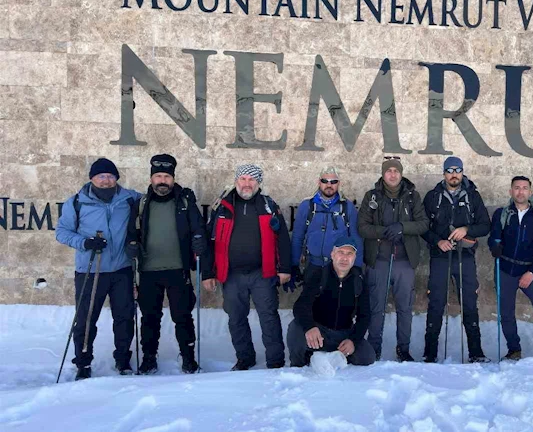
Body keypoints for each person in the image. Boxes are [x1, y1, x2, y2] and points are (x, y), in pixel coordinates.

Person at [55, 158, 142, 380]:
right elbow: (62, 232)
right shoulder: (76, 202)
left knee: (124, 317)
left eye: (110, 176)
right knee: (86, 319)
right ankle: (83, 363)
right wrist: (85, 242)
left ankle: (123, 360)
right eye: (101, 176)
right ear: (92, 178)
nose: (106, 180)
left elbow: (154, 202)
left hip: (122, 269)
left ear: (116, 179)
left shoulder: (129, 199)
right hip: (90, 269)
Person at [201, 164, 293, 370]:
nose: (246, 184)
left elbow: (283, 239)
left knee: (269, 317)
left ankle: (275, 361)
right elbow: (209, 240)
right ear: (236, 181)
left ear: (259, 183)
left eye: (251, 180)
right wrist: (208, 273)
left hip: (263, 272)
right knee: (236, 318)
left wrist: (285, 268)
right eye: (242, 179)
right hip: (231, 274)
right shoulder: (222, 206)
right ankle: (245, 358)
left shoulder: (269, 206)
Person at [127, 154, 206, 375]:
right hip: (149, 271)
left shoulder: (184, 201)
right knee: (150, 318)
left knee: (182, 316)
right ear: (152, 178)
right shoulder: (141, 204)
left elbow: (198, 227)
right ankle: (149, 358)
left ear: (173, 178)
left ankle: (188, 357)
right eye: (158, 176)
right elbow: (131, 232)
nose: (163, 181)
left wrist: (198, 240)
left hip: (177, 269)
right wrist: (131, 244)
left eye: (167, 176)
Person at [421, 156, 492, 363]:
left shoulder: (473, 196)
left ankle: (476, 352)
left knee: (469, 303)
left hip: (465, 257)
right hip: (440, 256)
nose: (454, 174)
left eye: (457, 170)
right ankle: (430, 353)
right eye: (450, 170)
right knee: (436, 303)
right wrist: (437, 242)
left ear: (462, 172)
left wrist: (466, 229)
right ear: (444, 173)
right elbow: (423, 227)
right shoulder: (432, 197)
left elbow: (485, 225)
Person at [358, 157, 428, 362]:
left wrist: (403, 228)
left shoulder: (412, 196)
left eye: (396, 171)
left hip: (404, 261)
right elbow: (362, 227)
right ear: (383, 173)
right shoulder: (372, 196)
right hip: (378, 259)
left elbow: (423, 224)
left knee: (405, 307)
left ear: (401, 173)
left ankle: (403, 348)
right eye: (388, 171)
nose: (392, 174)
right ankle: (374, 347)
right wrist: (385, 231)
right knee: (376, 306)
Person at [489, 176, 533, 360]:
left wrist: (532, 272)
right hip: (505, 269)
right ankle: (513, 348)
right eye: (516, 188)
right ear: (511, 191)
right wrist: (494, 245)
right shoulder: (501, 214)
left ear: (530, 192)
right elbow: (493, 237)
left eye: (524, 188)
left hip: (529, 271)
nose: (520, 191)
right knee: (506, 312)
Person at [287, 236, 376, 367]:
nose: (345, 258)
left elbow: (365, 316)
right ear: (333, 254)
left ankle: (334, 357)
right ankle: (302, 364)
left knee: (367, 356)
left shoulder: (359, 281)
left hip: (343, 334)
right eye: (341, 252)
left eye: (349, 254)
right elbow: (300, 306)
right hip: (320, 333)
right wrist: (310, 327)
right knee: (295, 330)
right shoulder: (319, 275)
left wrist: (353, 340)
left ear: (354, 258)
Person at [291, 166, 362, 280]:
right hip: (312, 264)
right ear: (319, 182)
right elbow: (297, 237)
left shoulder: (347, 207)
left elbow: (356, 238)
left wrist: (357, 267)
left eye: (333, 182)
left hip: (338, 268)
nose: (329, 185)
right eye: (325, 181)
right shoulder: (307, 206)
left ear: (338, 183)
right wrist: (294, 265)